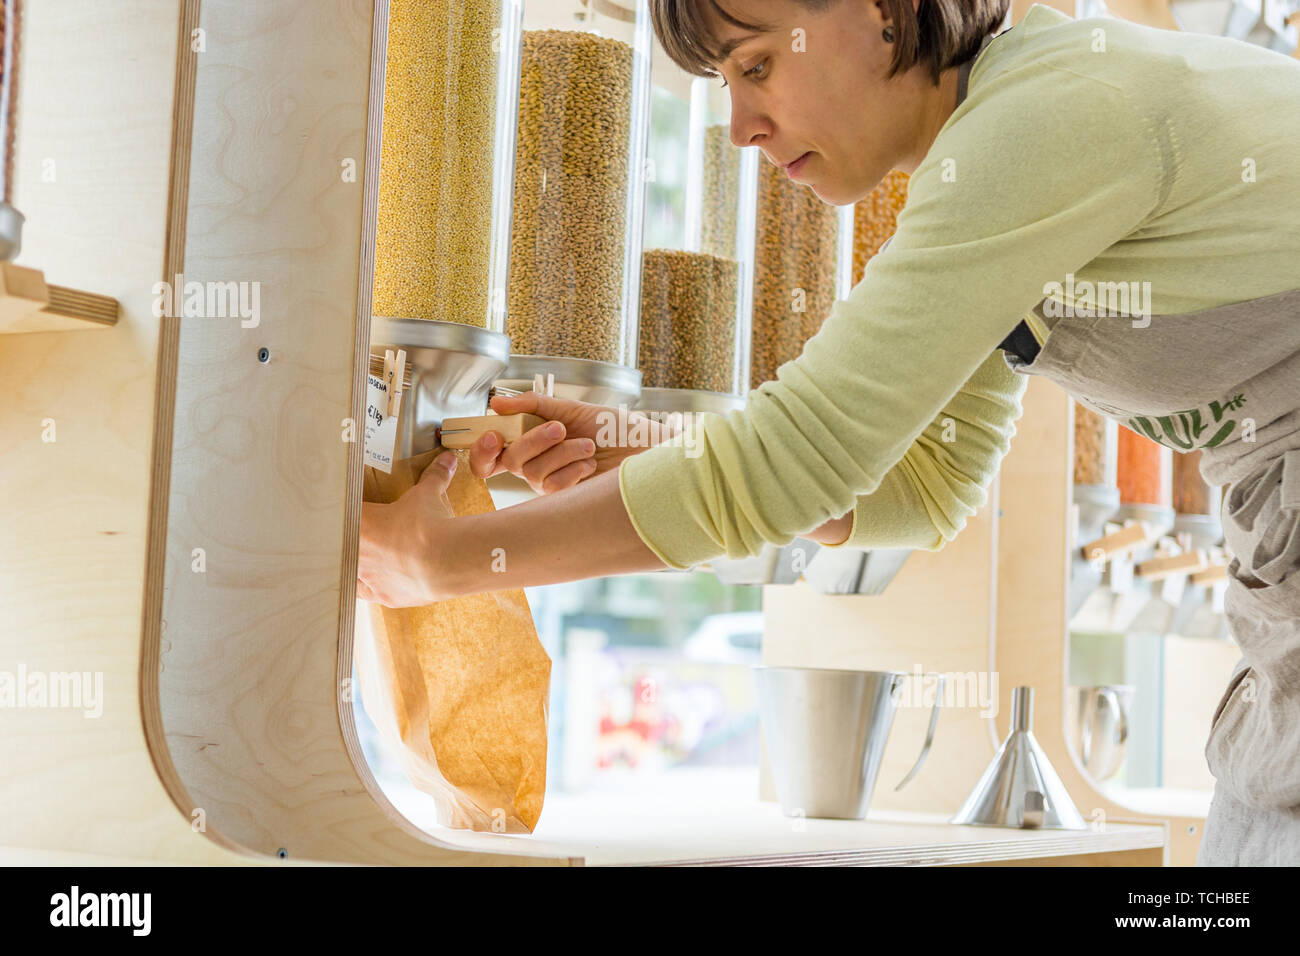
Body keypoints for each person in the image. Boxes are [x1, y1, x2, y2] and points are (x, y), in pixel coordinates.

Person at [358, 0, 1300, 865]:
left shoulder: (1041, 120)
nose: (739, 127)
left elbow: (800, 459)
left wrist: (448, 561)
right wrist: (651, 445)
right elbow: (932, 483)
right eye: (723, 84)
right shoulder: (987, 155)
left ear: (883, 14)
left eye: (758, 66)